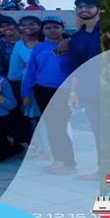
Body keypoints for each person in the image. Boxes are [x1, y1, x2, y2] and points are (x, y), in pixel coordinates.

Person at [21, 22, 74, 173]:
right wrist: (26, 92)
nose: (52, 30)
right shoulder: (39, 48)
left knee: (59, 125)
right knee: (51, 125)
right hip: (42, 89)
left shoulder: (71, 46)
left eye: (56, 27)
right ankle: (59, 160)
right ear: (43, 31)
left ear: (63, 29)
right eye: (48, 28)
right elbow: (31, 70)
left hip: (64, 90)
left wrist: (69, 41)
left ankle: (67, 162)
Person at [67, 0, 102, 178]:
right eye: (79, 6)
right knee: (98, 131)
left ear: (99, 8)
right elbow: (76, 68)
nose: (84, 9)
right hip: (89, 91)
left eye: (88, 5)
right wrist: (73, 93)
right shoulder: (78, 37)